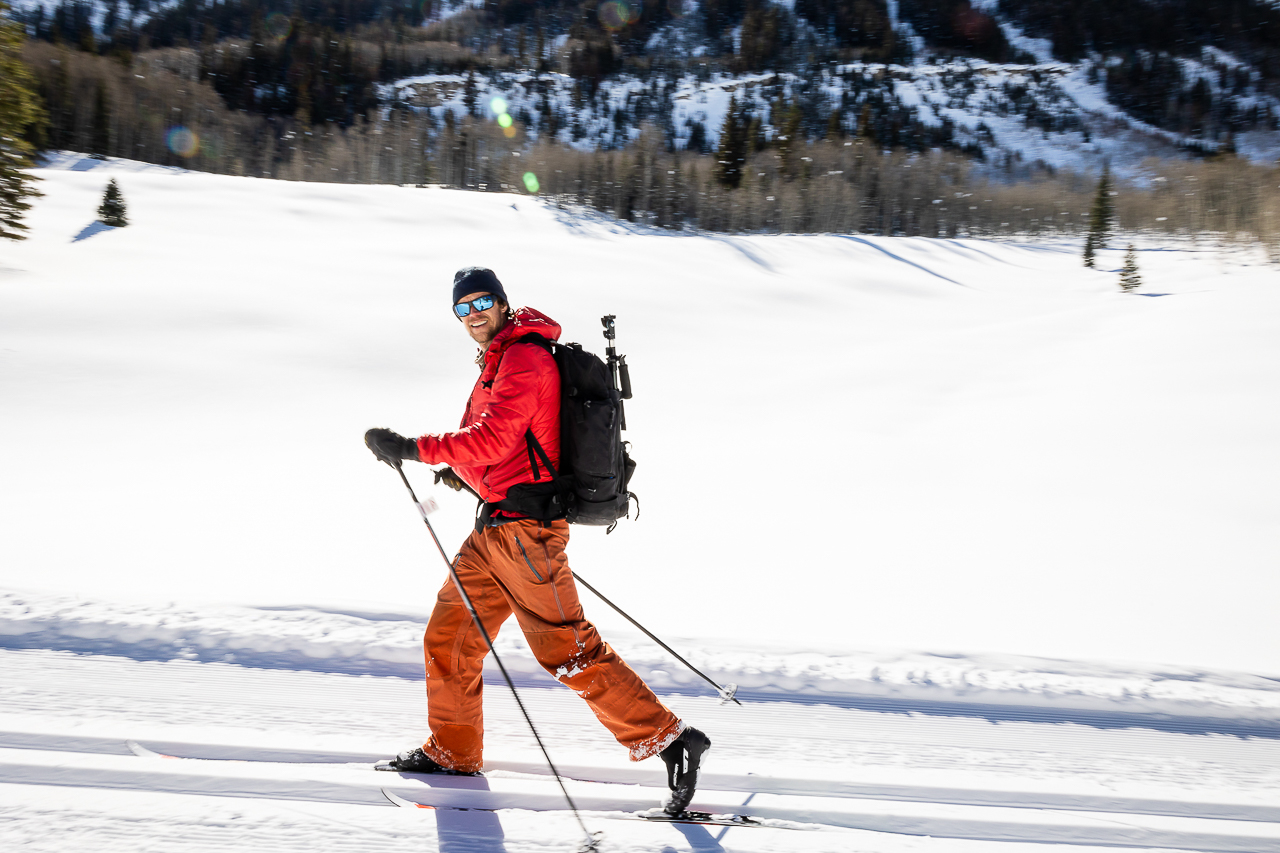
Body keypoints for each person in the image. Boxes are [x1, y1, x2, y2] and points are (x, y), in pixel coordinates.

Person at [363, 267, 710, 815]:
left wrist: (414, 447)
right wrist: (462, 473)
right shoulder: (498, 360)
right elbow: (505, 450)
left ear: (502, 303)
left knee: (566, 649)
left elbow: (492, 437)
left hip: (526, 534)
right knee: (449, 635)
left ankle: (670, 740)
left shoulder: (524, 357)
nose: (474, 313)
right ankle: (453, 751)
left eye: (482, 302)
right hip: (495, 530)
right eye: (463, 308)